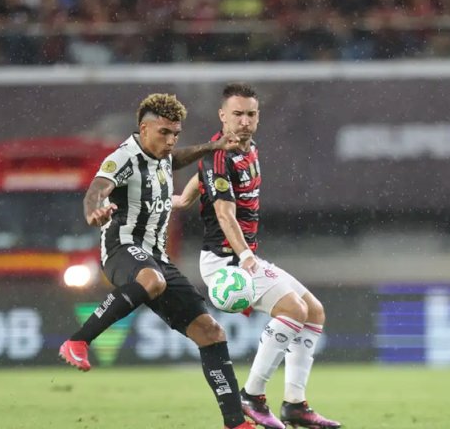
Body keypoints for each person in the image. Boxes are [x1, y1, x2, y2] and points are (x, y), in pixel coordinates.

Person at [58, 93, 256, 429]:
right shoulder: (123, 158)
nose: (171, 140)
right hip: (123, 248)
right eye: (164, 133)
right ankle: (78, 340)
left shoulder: (162, 154)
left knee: (211, 332)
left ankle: (235, 423)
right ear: (143, 128)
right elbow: (97, 188)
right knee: (152, 280)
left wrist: (212, 147)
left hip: (157, 257)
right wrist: (94, 211)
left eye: (175, 133)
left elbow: (176, 158)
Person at [175, 83, 341, 429]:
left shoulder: (247, 150)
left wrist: (183, 199)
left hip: (243, 256)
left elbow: (200, 177)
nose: (245, 121)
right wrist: (247, 258)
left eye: (251, 114)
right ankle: (252, 395)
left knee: (314, 312)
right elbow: (224, 214)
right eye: (237, 114)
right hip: (225, 261)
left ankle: (295, 404)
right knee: (293, 309)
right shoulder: (218, 156)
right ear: (223, 116)